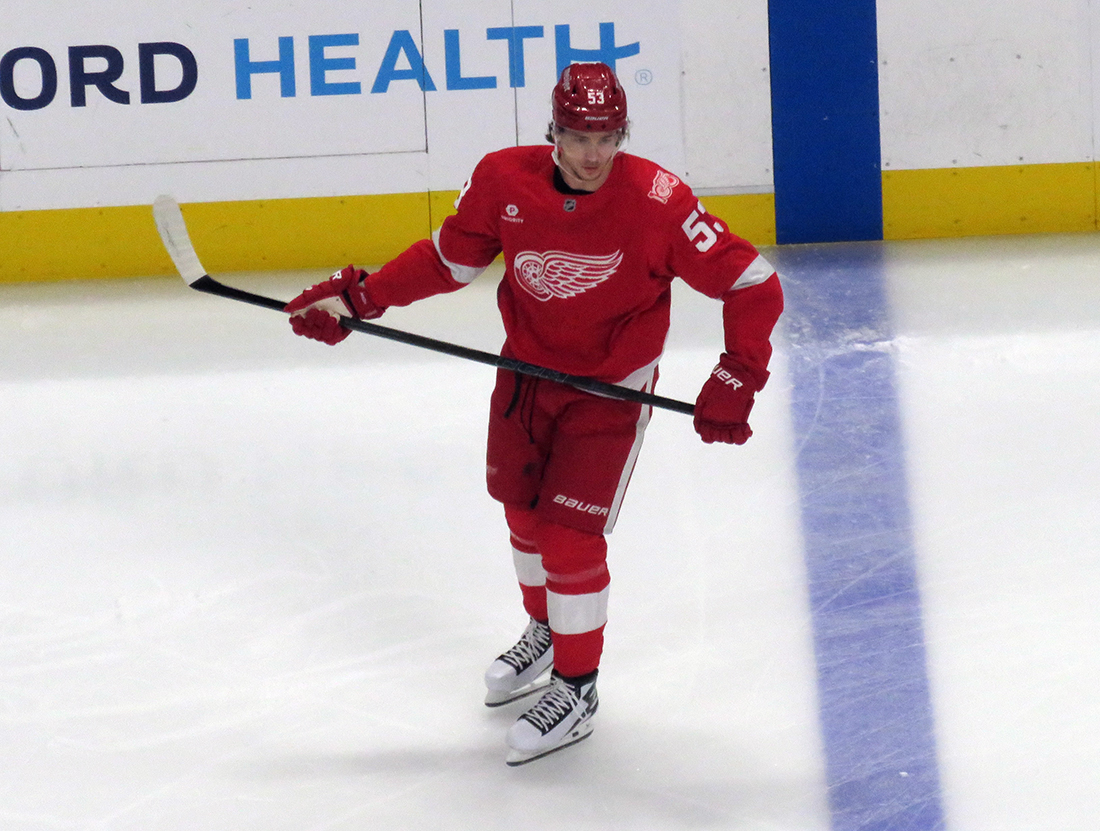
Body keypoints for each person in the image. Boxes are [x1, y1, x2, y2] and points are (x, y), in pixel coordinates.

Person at [284, 62, 784, 765]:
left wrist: (739, 371)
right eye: (578, 135)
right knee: (521, 511)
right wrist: (361, 299)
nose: (592, 155)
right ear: (552, 130)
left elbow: (755, 285)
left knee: (568, 535)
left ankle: (577, 689)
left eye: (607, 137)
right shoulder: (501, 180)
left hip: (610, 391)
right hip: (524, 374)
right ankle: (546, 629)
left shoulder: (660, 201)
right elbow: (448, 262)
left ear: (623, 136)